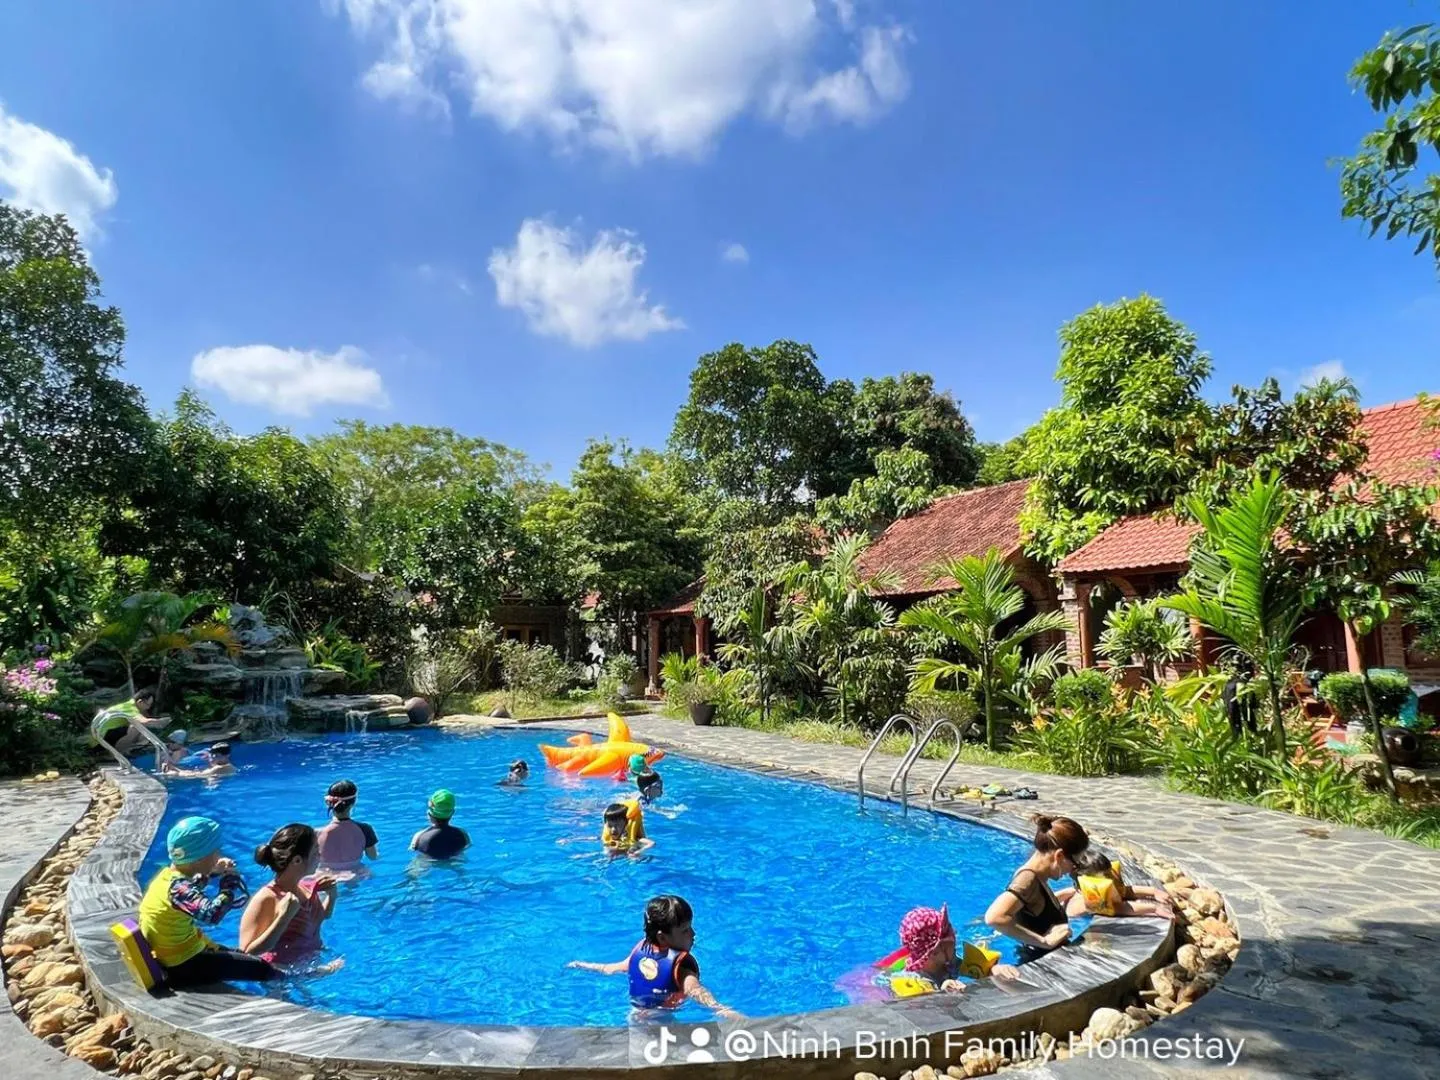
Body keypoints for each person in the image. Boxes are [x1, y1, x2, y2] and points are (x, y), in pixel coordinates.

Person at [137, 815, 279, 987]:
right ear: (200, 857)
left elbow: (190, 891)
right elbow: (212, 914)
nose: (219, 856)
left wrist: (213, 872)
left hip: (174, 956)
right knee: (262, 969)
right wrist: (229, 887)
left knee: (242, 955)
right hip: (184, 964)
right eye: (215, 852)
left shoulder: (168, 878)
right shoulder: (179, 889)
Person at [567, 894, 739, 1018]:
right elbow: (695, 990)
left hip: (635, 1015)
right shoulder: (682, 967)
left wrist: (583, 965)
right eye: (685, 930)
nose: (693, 934)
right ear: (662, 937)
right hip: (663, 1022)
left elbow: (610, 969)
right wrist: (721, 1009)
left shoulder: (641, 951)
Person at [985, 815, 1089, 960]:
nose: (1073, 869)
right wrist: (1044, 942)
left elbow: (1035, 907)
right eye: (1075, 863)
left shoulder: (1035, 876)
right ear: (1059, 856)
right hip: (1042, 964)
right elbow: (994, 917)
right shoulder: (1027, 880)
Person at [239, 824, 339, 968]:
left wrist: (332, 895)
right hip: (279, 978)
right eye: (315, 852)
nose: (320, 856)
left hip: (311, 965)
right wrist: (284, 917)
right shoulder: (267, 898)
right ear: (297, 860)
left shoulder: (305, 888)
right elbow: (247, 953)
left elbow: (318, 920)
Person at [886, 905, 1020, 996]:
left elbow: (972, 967)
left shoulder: (950, 962)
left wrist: (993, 970)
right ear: (935, 952)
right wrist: (940, 995)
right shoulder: (911, 981)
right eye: (950, 937)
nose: (954, 936)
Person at [1065, 850, 1173, 920]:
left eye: (1109, 874)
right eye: (1106, 876)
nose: (1110, 879)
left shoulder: (1085, 891)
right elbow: (1119, 908)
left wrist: (1154, 891)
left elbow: (1124, 891)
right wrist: (1153, 909)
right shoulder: (1084, 902)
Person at [316, 779, 378, 873]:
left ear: (328, 802)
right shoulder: (365, 829)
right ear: (354, 802)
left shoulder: (316, 833)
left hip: (324, 875)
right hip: (355, 874)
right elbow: (373, 857)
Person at [92, 690, 167, 756]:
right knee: (137, 727)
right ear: (140, 702)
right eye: (148, 705)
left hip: (101, 735)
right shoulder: (131, 708)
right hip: (102, 738)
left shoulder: (127, 705)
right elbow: (144, 721)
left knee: (138, 730)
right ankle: (119, 753)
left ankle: (123, 751)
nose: (148, 708)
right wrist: (162, 722)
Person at [409, 789, 470, 858]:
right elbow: (467, 848)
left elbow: (412, 851)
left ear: (429, 813)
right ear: (452, 812)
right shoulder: (463, 835)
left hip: (428, 861)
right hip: (453, 860)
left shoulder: (419, 837)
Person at [168, 742, 236, 780]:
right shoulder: (222, 766)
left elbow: (195, 775)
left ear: (227, 755)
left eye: (216, 756)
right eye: (212, 755)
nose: (213, 758)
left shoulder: (221, 768)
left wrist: (175, 770)